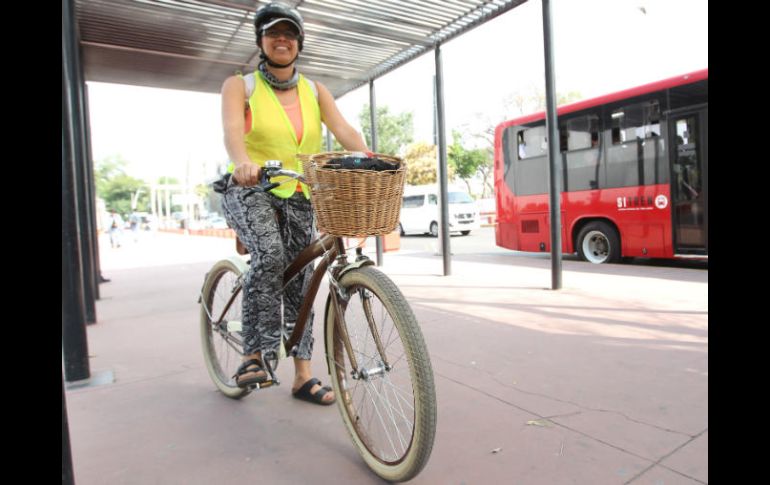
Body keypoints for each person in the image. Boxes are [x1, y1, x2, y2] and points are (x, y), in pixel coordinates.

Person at [219, 2, 368, 405]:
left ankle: (302, 377)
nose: (281, 39)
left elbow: (343, 129)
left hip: (302, 191)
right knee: (270, 255)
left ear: (299, 43)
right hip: (252, 187)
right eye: (273, 33)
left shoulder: (314, 90)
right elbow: (234, 133)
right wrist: (242, 164)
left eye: (289, 33)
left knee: (302, 282)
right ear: (261, 41)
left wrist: (370, 157)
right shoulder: (241, 85)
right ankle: (253, 353)